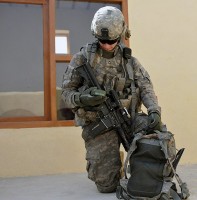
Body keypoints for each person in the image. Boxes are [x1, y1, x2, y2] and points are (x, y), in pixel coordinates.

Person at [61, 6, 162, 193]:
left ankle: (148, 170)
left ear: (122, 35)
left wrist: (154, 110)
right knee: (107, 186)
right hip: (99, 123)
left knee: (158, 137)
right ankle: (113, 165)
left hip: (127, 119)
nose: (107, 45)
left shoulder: (129, 61)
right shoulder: (82, 60)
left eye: (112, 41)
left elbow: (145, 87)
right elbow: (66, 93)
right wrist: (83, 98)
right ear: (95, 35)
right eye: (102, 41)